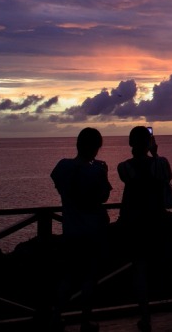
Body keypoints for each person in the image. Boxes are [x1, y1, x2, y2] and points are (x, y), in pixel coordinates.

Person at [117, 125, 172, 331]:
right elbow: (166, 177)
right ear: (149, 142)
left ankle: (146, 318)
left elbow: (129, 180)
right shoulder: (160, 163)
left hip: (136, 225)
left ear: (130, 143)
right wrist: (155, 152)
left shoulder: (123, 167)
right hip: (158, 222)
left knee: (140, 271)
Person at [51, 127, 112, 332]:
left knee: (69, 277)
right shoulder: (96, 171)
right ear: (96, 148)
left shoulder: (62, 167)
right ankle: (85, 321)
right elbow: (103, 197)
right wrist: (103, 173)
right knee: (89, 278)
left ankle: (55, 315)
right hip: (93, 232)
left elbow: (59, 185)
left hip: (70, 230)